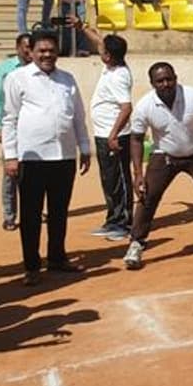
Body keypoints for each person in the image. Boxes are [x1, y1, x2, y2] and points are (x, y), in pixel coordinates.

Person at [123, 62, 193, 269]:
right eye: (160, 81)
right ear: (152, 83)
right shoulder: (144, 106)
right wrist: (138, 174)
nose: (166, 84)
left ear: (175, 78)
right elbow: (136, 139)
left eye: (169, 79)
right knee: (147, 196)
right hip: (164, 155)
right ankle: (136, 243)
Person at [1, 31, 91, 286]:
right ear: (31, 52)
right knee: (30, 215)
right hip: (32, 158)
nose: (47, 55)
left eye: (51, 50)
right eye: (42, 50)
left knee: (59, 211)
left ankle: (57, 257)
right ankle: (31, 266)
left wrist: (84, 147)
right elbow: (9, 119)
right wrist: (10, 156)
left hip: (64, 156)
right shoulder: (17, 78)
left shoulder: (67, 79)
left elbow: (78, 117)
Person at [79, 26, 133, 241]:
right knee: (109, 180)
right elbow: (100, 41)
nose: (99, 51)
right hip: (104, 134)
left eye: (102, 52)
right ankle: (113, 220)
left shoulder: (118, 76)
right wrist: (82, 27)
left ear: (108, 56)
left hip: (114, 136)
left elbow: (126, 108)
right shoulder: (111, 66)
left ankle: (124, 223)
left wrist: (113, 135)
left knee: (119, 179)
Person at [0, 33, 31, 231]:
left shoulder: (39, 69)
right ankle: (9, 215)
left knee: (32, 174)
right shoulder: (5, 69)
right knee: (10, 175)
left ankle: (32, 210)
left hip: (32, 130)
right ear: (17, 48)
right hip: (11, 127)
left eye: (31, 46)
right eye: (26, 47)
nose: (29, 51)